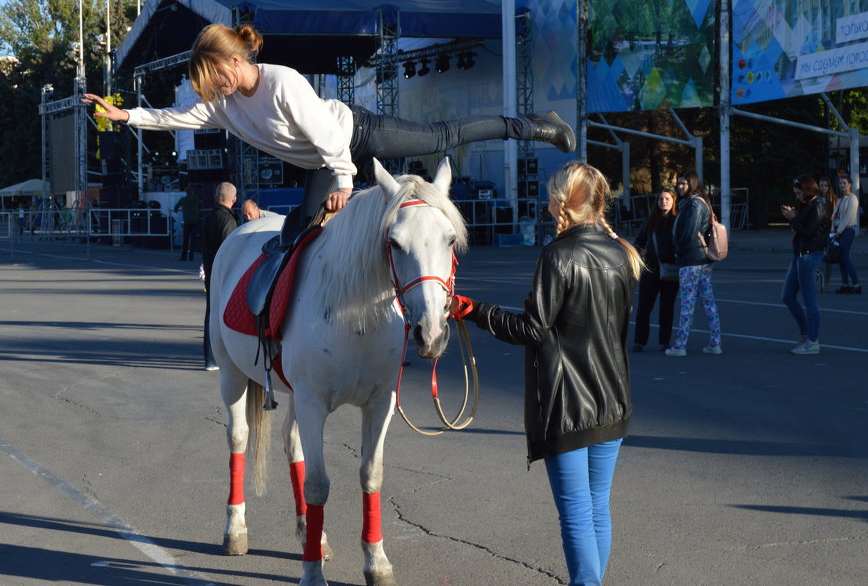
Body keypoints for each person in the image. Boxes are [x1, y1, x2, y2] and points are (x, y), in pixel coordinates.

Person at [83, 23, 575, 247]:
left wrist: (344, 183)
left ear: (235, 60)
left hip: (359, 135)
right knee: (300, 234)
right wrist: (126, 117)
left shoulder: (282, 83)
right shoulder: (224, 105)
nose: (213, 92)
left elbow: (330, 142)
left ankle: (538, 126)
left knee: (443, 137)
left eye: (216, 79)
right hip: (326, 162)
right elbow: (178, 117)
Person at [448, 162, 641, 586]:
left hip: (567, 404)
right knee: (596, 509)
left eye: (551, 194)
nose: (545, 201)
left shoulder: (558, 254)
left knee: (576, 514)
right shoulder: (621, 253)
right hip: (612, 398)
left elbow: (532, 329)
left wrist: (476, 310)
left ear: (564, 202)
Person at [666, 171, 723, 356]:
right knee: (708, 302)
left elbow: (688, 234)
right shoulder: (700, 202)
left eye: (683, 183)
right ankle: (715, 343)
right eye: (678, 183)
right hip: (702, 260)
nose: (680, 187)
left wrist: (677, 251)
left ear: (692, 184)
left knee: (687, 304)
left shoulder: (694, 205)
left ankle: (680, 346)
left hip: (691, 259)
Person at [780, 174, 831, 354]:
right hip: (800, 255)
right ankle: (806, 333)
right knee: (787, 296)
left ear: (807, 190)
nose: (797, 196)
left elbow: (808, 232)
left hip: (810, 255)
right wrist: (793, 216)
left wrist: (793, 217)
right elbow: (801, 228)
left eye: (799, 193)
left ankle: (813, 340)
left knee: (809, 300)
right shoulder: (807, 204)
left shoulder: (819, 204)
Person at [631, 186, 679, 352]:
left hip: (671, 270)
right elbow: (638, 242)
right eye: (661, 199)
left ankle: (664, 341)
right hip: (651, 269)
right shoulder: (650, 220)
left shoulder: (677, 220)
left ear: (673, 202)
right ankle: (639, 341)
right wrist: (639, 252)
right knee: (644, 307)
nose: (663, 202)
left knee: (667, 308)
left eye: (667, 199)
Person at [200, 182, 238, 372]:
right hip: (225, 274)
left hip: (210, 270)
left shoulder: (208, 217)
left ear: (216, 197)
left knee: (211, 314)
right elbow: (229, 250)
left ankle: (210, 358)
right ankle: (225, 357)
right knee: (226, 315)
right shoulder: (228, 221)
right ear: (234, 199)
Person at [832, 173, 863, 294]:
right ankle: (845, 284)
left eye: (844, 183)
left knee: (844, 257)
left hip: (848, 231)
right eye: (840, 183)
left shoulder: (853, 198)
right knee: (840, 258)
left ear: (850, 185)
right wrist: (832, 231)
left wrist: (838, 232)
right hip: (838, 231)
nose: (842, 185)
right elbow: (834, 216)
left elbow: (848, 217)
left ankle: (856, 284)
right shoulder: (839, 200)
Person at [817, 176, 838, 291]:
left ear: (829, 187)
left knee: (828, 259)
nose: (823, 188)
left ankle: (826, 284)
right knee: (817, 257)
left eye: (825, 185)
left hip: (830, 232)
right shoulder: (817, 199)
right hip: (819, 231)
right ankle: (814, 280)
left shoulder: (834, 199)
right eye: (821, 185)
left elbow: (835, 216)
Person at [173, 188, 201, 261]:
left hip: (187, 221)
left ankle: (184, 256)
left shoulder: (183, 200)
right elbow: (200, 207)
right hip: (195, 221)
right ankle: (191, 257)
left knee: (185, 240)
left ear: (186, 192)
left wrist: (176, 210)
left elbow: (176, 207)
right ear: (192, 192)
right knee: (193, 240)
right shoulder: (196, 199)